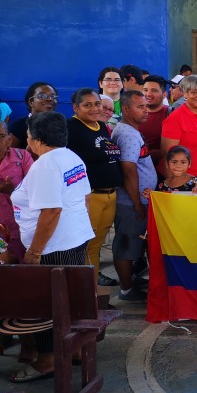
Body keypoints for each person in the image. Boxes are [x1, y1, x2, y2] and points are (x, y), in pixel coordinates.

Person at [7, 112, 94, 383]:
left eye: (29, 135)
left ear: (38, 139)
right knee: (70, 301)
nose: (27, 139)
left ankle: (46, 360)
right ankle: (76, 349)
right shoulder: (71, 157)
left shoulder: (46, 165)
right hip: (74, 239)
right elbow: (85, 197)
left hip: (52, 248)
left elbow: (52, 211)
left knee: (47, 306)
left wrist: (34, 252)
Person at [67, 88, 122, 286]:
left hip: (110, 195)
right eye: (87, 105)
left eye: (97, 104)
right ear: (76, 107)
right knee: (85, 246)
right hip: (90, 197)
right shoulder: (70, 128)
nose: (94, 108)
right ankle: (85, 293)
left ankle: (93, 292)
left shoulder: (101, 126)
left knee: (96, 245)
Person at [111, 90, 157, 302]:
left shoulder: (131, 131)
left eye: (146, 106)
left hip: (138, 200)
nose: (145, 111)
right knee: (127, 244)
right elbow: (128, 170)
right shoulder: (128, 134)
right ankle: (127, 289)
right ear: (126, 109)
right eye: (140, 107)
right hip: (131, 203)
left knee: (134, 244)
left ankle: (131, 281)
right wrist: (137, 203)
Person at [161, 75, 197, 183]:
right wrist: (174, 187)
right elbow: (166, 156)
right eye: (194, 92)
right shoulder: (176, 118)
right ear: (185, 94)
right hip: (183, 183)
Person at [0, 120, 33, 262]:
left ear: (9, 139)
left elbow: (35, 191)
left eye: (1, 136)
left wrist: (13, 191)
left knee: (21, 274)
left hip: (19, 228)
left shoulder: (23, 157)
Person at [9, 82, 58, 150]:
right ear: (31, 102)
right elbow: (9, 156)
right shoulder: (17, 126)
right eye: (42, 96)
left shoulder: (61, 125)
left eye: (53, 96)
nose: (49, 99)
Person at [138, 75, 169, 172]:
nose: (148, 94)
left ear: (164, 95)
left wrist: (161, 153)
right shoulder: (133, 114)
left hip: (163, 171)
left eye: (154, 91)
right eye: (145, 90)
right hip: (138, 170)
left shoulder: (172, 114)